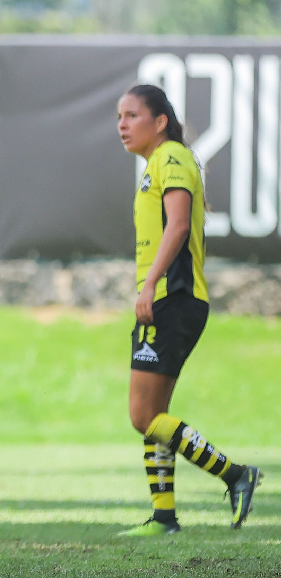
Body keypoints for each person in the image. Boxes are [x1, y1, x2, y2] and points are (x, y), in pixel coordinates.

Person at [115, 84, 262, 537]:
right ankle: (164, 519)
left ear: (159, 122)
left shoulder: (171, 156)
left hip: (172, 298)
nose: (122, 124)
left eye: (132, 115)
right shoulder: (158, 163)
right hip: (170, 299)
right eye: (119, 116)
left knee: (143, 416)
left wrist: (151, 284)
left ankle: (235, 474)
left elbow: (177, 225)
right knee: (156, 416)